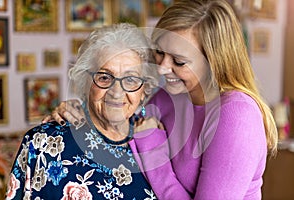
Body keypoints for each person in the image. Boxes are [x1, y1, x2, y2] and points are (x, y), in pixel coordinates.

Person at [43, 0, 278, 199]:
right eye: (159, 52)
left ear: (213, 62)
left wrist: (152, 146)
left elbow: (144, 140)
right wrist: (80, 112)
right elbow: (121, 122)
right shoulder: (170, 98)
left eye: (179, 61)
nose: (163, 68)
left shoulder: (237, 116)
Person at [6, 23, 191, 200]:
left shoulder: (161, 142)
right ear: (86, 84)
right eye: (104, 77)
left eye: (131, 79)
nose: (116, 92)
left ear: (144, 91)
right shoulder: (42, 143)